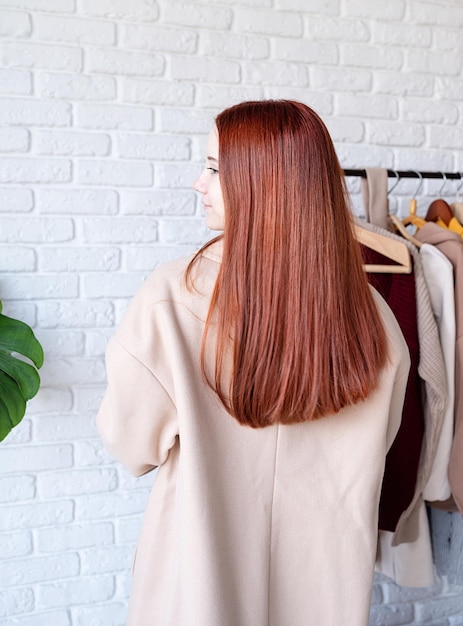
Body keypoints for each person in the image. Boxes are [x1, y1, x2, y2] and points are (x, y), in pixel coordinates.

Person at [96, 100, 410, 626]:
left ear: (266, 182)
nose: (199, 183)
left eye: (215, 168)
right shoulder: (372, 313)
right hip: (325, 589)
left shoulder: (174, 296)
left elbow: (132, 445)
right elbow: (385, 437)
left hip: (203, 583)